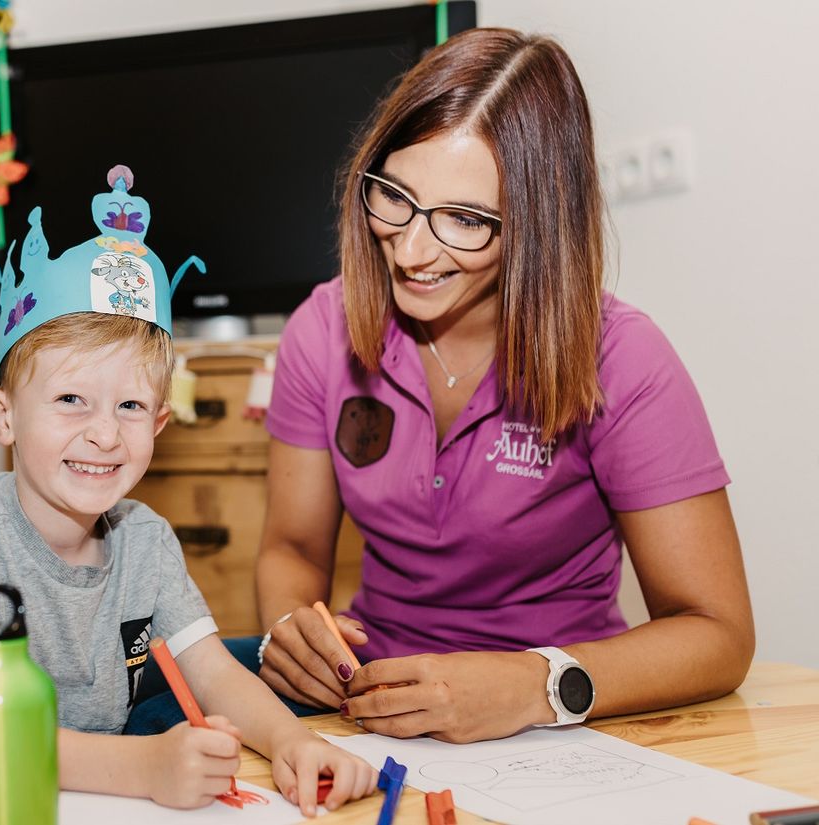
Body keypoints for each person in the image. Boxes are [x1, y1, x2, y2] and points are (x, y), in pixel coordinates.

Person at [254, 28, 755, 744]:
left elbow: (719, 634)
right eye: (394, 196)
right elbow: (294, 548)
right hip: (369, 701)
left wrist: (533, 683)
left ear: (536, 224)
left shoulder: (624, 358)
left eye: (464, 220)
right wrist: (289, 625)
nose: (412, 250)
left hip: (558, 718)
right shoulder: (321, 327)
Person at [0, 166, 377, 815]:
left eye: (130, 404)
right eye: (71, 399)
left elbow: (212, 671)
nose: (104, 433)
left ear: (160, 422)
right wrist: (143, 767)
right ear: (2, 415)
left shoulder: (145, 537)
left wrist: (294, 742)